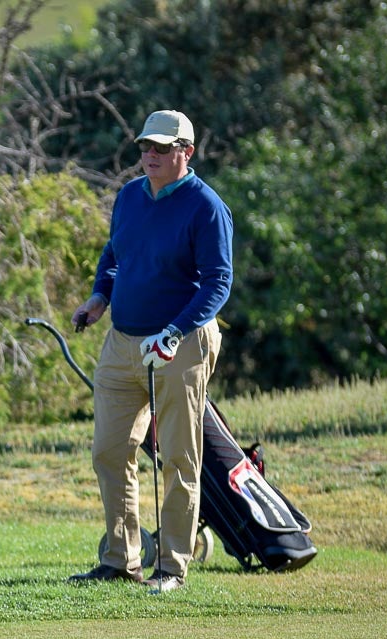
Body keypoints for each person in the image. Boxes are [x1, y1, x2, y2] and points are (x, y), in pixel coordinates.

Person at [69, 110, 233, 592]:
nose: (150, 155)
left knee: (179, 457)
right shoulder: (129, 196)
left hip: (181, 343)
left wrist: (176, 332)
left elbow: (218, 282)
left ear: (187, 151)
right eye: (145, 146)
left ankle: (172, 567)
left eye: (162, 147)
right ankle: (120, 560)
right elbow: (114, 255)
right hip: (122, 340)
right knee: (109, 451)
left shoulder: (206, 206)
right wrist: (99, 297)